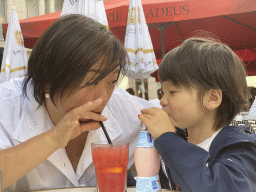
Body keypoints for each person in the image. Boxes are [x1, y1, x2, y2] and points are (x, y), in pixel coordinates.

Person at [0, 14, 161, 191]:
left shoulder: (122, 106)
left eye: (112, 81)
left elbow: (176, 111)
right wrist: (54, 138)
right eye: (91, 82)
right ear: (47, 82)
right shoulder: (6, 106)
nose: (103, 97)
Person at [138, 37, 256, 191]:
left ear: (212, 98)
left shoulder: (239, 147)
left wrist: (168, 139)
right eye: (162, 92)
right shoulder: (178, 139)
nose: (162, 101)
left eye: (172, 92)